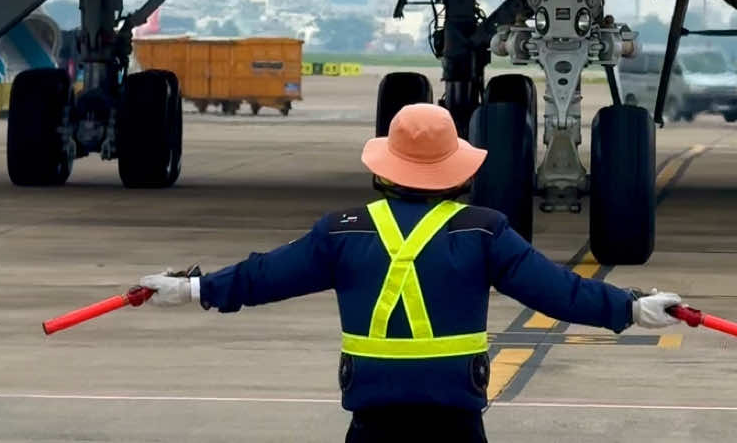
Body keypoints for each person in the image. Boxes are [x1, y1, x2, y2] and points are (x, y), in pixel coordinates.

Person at [140, 100, 681, 441]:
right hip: (455, 414)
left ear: (385, 168)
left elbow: (264, 277)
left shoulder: (342, 230)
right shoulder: (484, 230)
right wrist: (631, 306)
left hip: (374, 413)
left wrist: (193, 289)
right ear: (456, 169)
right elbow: (558, 293)